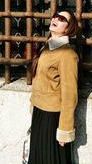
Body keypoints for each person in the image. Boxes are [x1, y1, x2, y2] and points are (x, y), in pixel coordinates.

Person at [28, 10, 79, 164]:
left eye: (62, 18)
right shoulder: (47, 48)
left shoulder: (68, 54)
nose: (56, 18)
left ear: (68, 28)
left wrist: (64, 129)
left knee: (50, 159)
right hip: (39, 112)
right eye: (55, 15)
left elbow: (70, 96)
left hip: (52, 117)